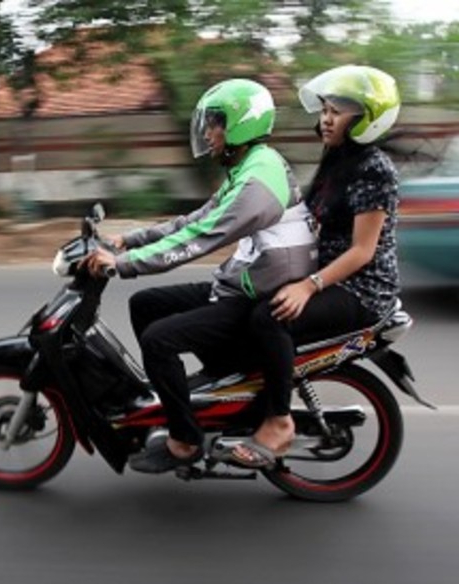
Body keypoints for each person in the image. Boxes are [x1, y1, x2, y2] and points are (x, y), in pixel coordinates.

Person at [84, 78, 316, 474]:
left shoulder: (258, 181)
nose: (208, 133)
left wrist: (125, 264)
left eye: (216, 123)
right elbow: (196, 219)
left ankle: (186, 440)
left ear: (241, 124)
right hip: (244, 283)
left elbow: (202, 236)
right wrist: (130, 239)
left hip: (259, 295)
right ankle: (205, 393)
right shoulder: (250, 166)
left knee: (160, 341)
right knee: (146, 305)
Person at [227, 64, 403, 468]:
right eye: (323, 110)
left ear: (367, 120)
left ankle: (278, 422)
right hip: (330, 274)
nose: (325, 119)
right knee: (240, 302)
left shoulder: (373, 168)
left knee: (269, 318)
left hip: (362, 289)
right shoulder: (338, 158)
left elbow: (362, 251)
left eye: (336, 112)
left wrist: (308, 286)